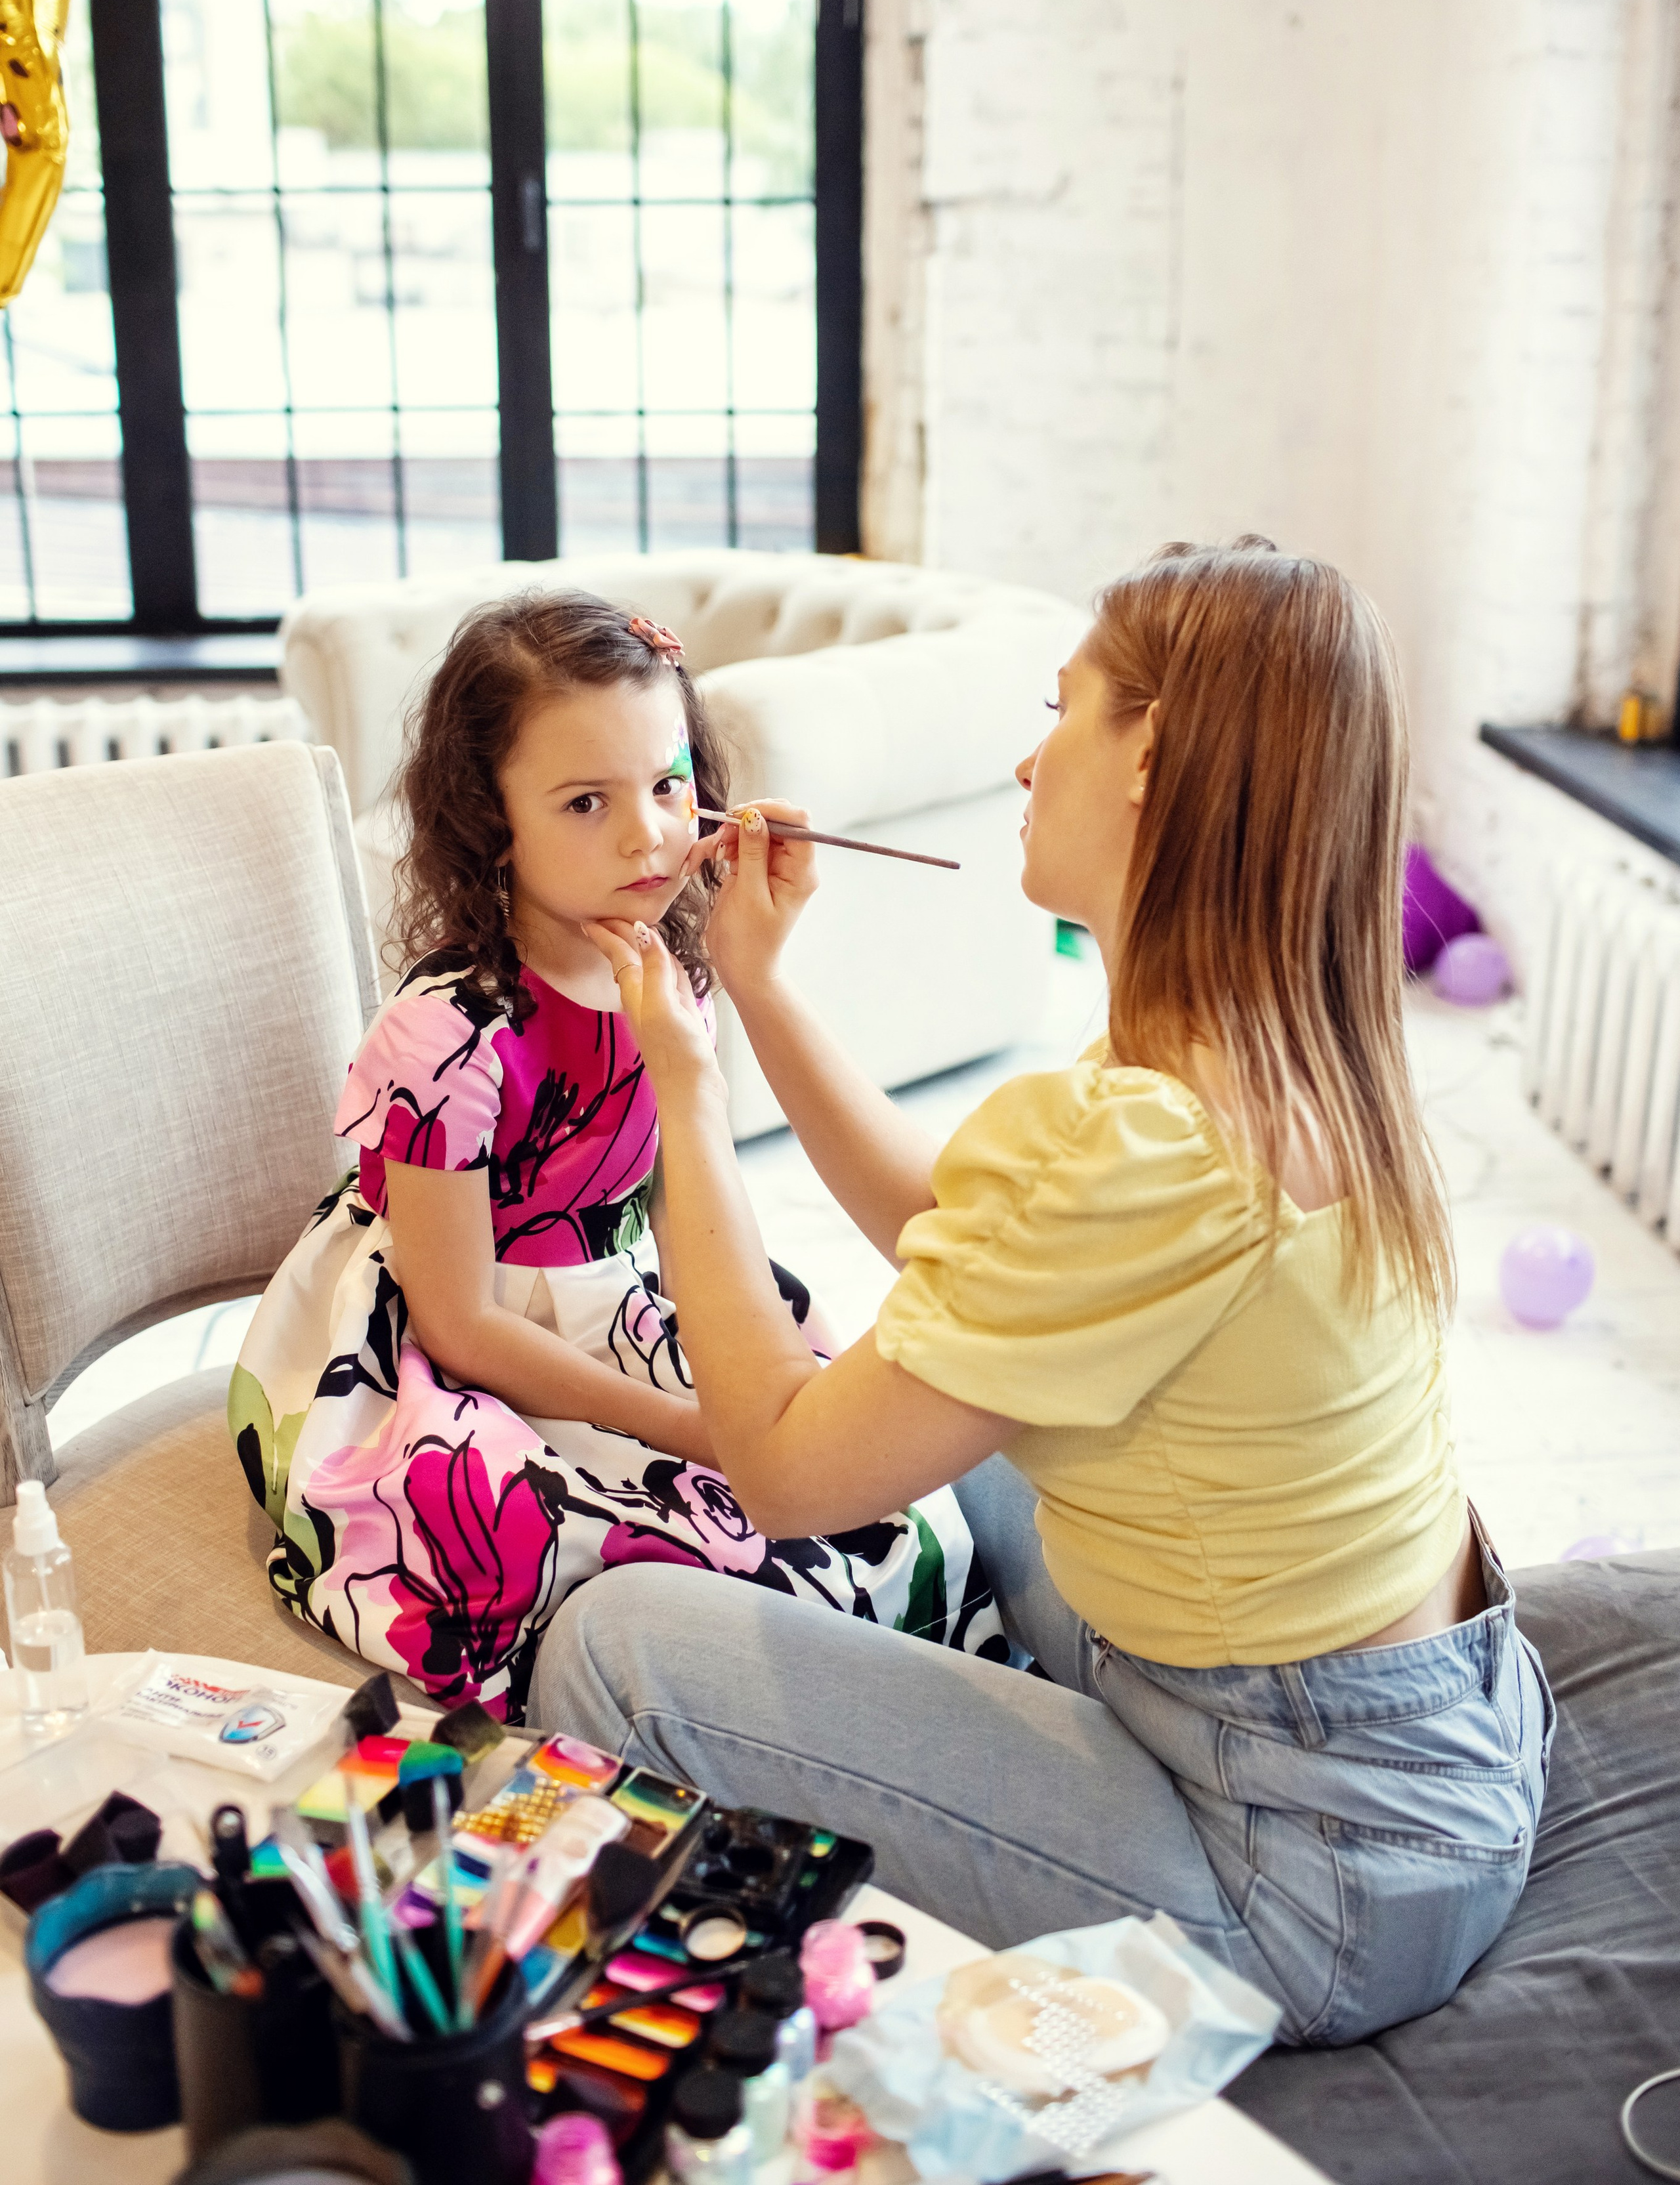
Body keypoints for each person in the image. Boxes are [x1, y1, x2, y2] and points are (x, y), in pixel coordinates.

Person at [532, 538, 1555, 2048]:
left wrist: (684, 1089)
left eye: (1061, 708)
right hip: (1432, 1749)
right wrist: (751, 985)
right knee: (985, 1457)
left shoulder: (1142, 1137)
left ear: (1151, 758)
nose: (1027, 757)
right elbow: (975, 1236)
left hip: (1311, 1880)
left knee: (614, 1645)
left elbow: (782, 1468)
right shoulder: (1260, 1044)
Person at [228, 592, 1003, 1718]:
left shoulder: (671, 973)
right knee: (641, 1568)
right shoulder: (447, 1037)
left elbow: (680, 1214)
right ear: (492, 821)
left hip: (628, 1294)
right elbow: (461, 1324)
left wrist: (749, 1405)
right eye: (587, 801)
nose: (649, 833)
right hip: (462, 1344)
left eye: (670, 781)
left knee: (873, 1507)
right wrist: (698, 1428)